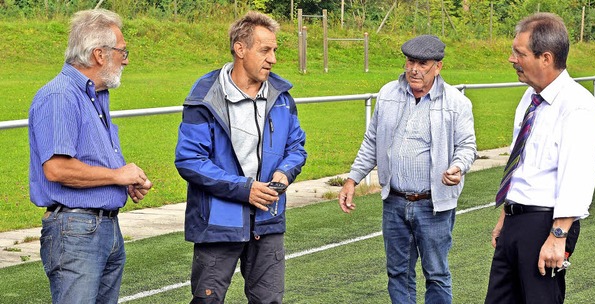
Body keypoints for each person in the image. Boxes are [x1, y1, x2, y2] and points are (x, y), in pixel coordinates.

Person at [174, 11, 307, 304]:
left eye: (274, 50)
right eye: (265, 50)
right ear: (240, 48)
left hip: (268, 220)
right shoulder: (204, 97)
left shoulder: (282, 96)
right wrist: (244, 190)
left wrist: (285, 172)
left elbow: (297, 147)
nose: (273, 58)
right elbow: (189, 160)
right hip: (217, 223)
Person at [338, 35, 477, 304]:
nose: (414, 69)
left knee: (436, 273)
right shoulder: (388, 93)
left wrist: (458, 167)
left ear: (438, 66)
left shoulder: (456, 103)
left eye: (422, 63)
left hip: (433, 204)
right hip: (394, 201)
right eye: (410, 61)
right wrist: (352, 179)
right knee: (397, 273)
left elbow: (467, 146)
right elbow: (372, 141)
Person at [28, 8, 152, 304]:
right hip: (76, 231)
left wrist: (123, 179)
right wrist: (116, 175)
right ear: (99, 54)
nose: (127, 58)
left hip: (103, 228)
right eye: (123, 51)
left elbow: (88, 159)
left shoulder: (95, 96)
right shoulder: (60, 96)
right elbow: (57, 169)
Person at [485, 13, 595, 304]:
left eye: (519, 53)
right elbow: (521, 165)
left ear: (546, 58)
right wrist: (505, 215)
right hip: (516, 220)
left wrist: (558, 235)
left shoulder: (579, 107)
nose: (511, 59)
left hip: (546, 224)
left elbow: (576, 175)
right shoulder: (529, 98)